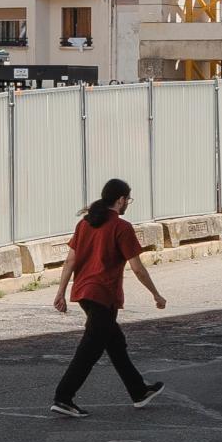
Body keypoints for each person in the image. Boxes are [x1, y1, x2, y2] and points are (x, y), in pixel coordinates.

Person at [51, 176, 168, 416]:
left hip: (84, 293)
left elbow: (71, 260)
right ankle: (63, 397)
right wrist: (156, 294)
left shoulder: (85, 224)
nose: (128, 204)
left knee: (115, 344)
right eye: (128, 200)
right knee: (89, 350)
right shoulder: (121, 227)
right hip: (103, 295)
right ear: (121, 200)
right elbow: (137, 267)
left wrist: (61, 291)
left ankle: (138, 391)